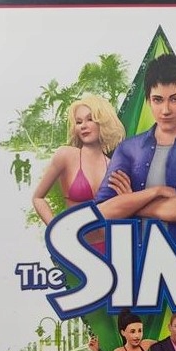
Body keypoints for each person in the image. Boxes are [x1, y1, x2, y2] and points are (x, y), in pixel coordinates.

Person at [96, 54, 176, 244]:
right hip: (134, 258)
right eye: (158, 100)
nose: (165, 110)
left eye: (174, 99)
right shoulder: (128, 149)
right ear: (148, 101)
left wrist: (129, 201)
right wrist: (154, 192)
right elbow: (102, 212)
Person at [32, 94, 125, 247]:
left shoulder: (113, 166)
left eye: (90, 119)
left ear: (103, 122)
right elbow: (38, 198)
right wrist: (56, 230)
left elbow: (122, 210)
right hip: (75, 247)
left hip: (110, 246)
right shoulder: (66, 156)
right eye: (79, 122)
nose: (83, 126)